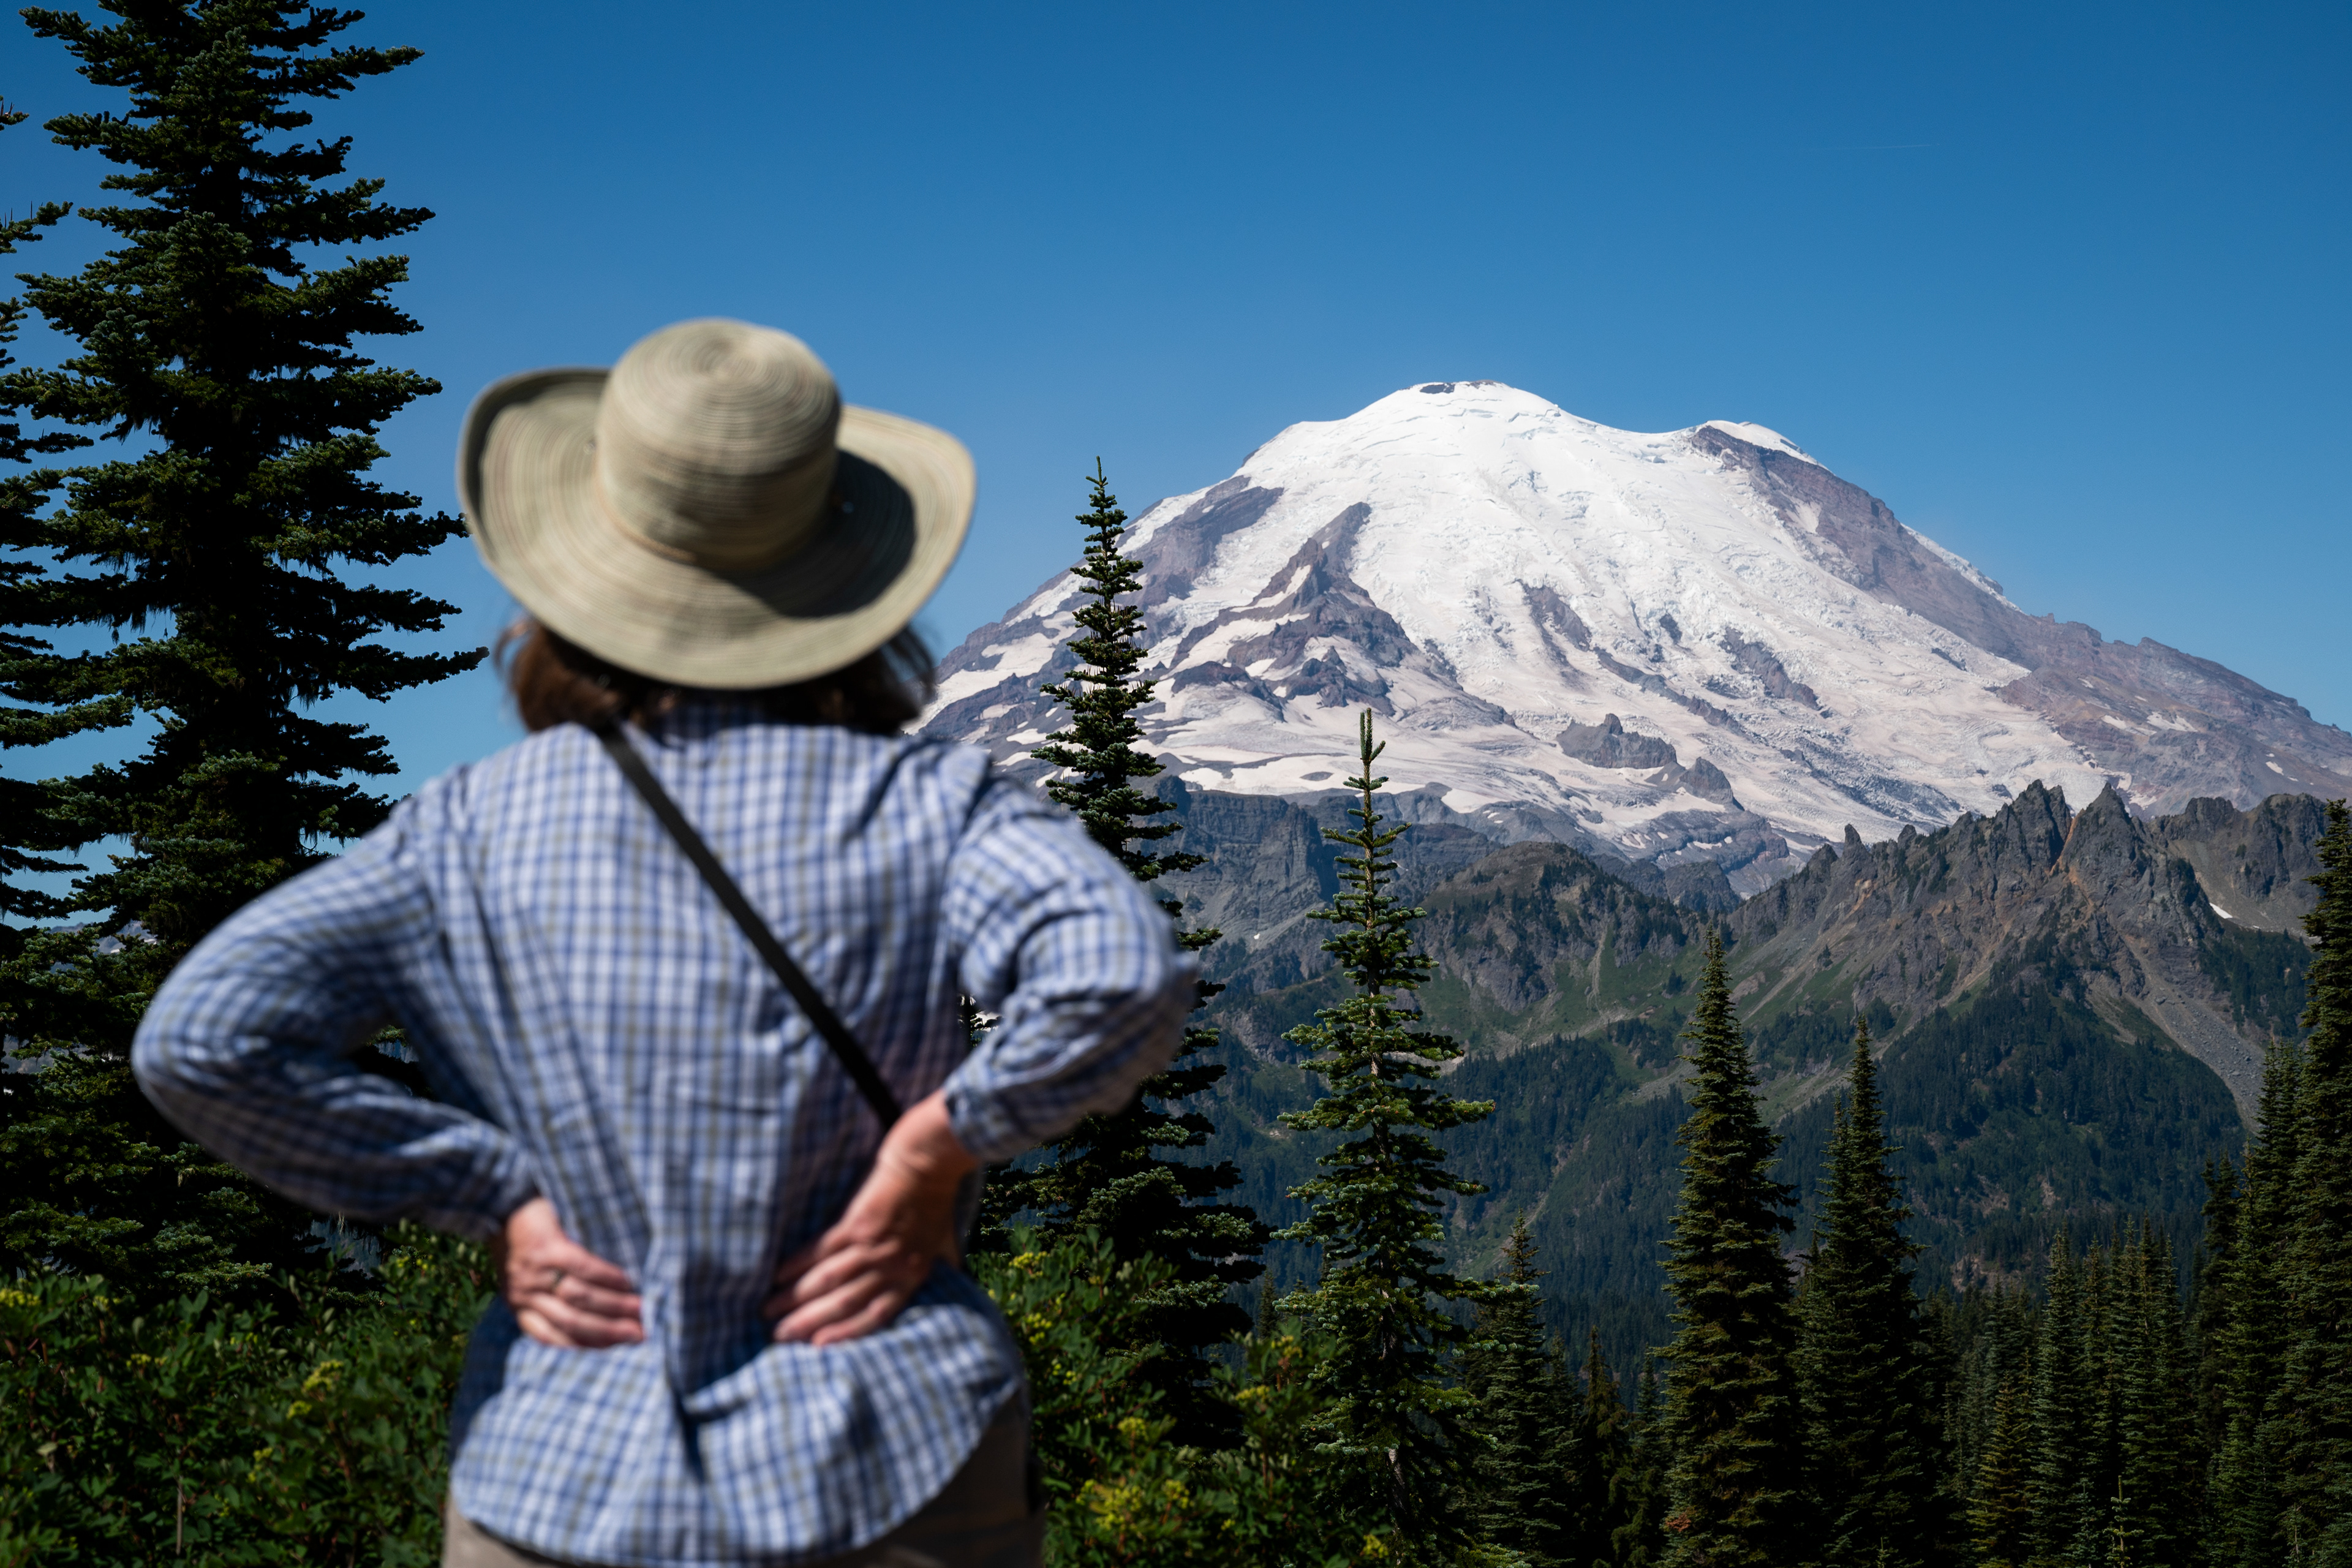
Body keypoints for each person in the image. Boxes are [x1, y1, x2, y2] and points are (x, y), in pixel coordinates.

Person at [132, 318, 1195, 1567]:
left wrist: (497, 1199)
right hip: (887, 1442)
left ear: (581, 568)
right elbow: (1124, 972)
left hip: (563, 1471)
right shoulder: (931, 806)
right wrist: (932, 1147)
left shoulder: (459, 834)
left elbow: (201, 1038)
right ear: (846, 572)